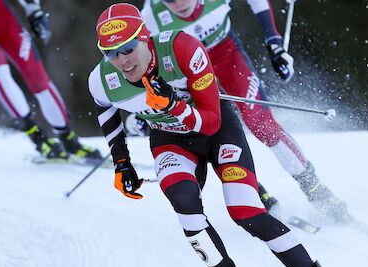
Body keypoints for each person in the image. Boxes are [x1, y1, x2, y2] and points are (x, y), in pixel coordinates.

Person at [88, 3, 357, 267]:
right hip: (171, 143)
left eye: (128, 48)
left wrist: (174, 105)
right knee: (185, 206)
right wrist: (121, 162)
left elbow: (212, 120)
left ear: (145, 38)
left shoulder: (183, 48)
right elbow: (105, 110)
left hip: (216, 131)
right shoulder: (103, 80)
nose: (122, 60)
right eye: (111, 53)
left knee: (246, 212)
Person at [139, 0, 347, 221]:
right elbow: (137, 59)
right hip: (188, 72)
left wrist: (273, 42)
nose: (178, 3)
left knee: (261, 124)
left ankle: (315, 189)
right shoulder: (151, 14)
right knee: (210, 131)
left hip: (226, 57)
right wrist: (143, 107)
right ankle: (254, 191)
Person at [0, 0, 101, 162]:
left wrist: (33, 10)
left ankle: (69, 140)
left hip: (0, 15)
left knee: (37, 77)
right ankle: (36, 135)